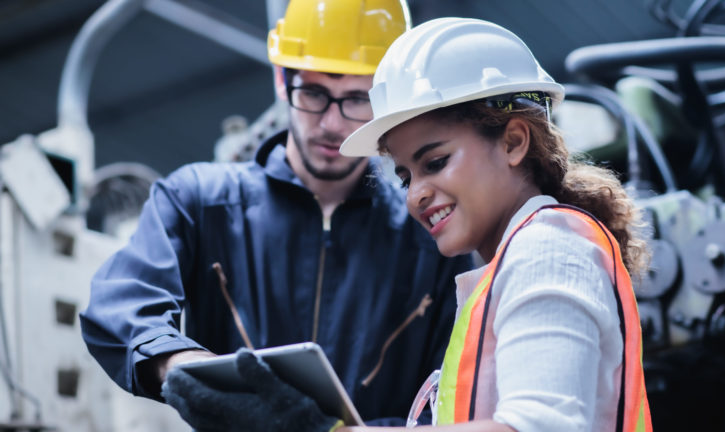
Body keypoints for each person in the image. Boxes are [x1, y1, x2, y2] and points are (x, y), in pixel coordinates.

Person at [79, 1, 473, 430]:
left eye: (357, 99)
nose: (331, 124)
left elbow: (449, 403)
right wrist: (178, 363)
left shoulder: (428, 236)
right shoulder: (199, 200)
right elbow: (121, 302)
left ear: (387, 102)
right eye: (314, 93)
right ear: (282, 81)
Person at [334, 17, 654, 431]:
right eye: (406, 176)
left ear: (514, 142)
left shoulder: (548, 250)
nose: (415, 195)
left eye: (435, 163)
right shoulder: (517, 262)